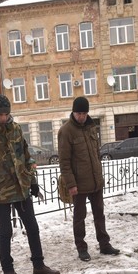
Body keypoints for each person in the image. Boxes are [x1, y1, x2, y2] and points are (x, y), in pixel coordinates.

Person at [0, 94, 60, 274]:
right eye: (0, 114)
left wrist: (32, 182)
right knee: (6, 231)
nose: (4, 118)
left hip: (21, 188)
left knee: (32, 227)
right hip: (0, 191)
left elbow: (26, 157)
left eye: (6, 114)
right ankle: (8, 271)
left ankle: (39, 265)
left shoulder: (16, 129)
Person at [58, 96, 120, 262]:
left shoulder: (91, 127)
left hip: (95, 181)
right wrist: (70, 184)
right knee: (80, 217)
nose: (82, 117)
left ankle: (104, 244)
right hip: (78, 183)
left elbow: (96, 153)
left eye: (84, 113)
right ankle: (81, 247)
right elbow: (64, 162)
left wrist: (99, 175)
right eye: (79, 113)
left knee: (100, 213)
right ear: (73, 112)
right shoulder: (66, 131)